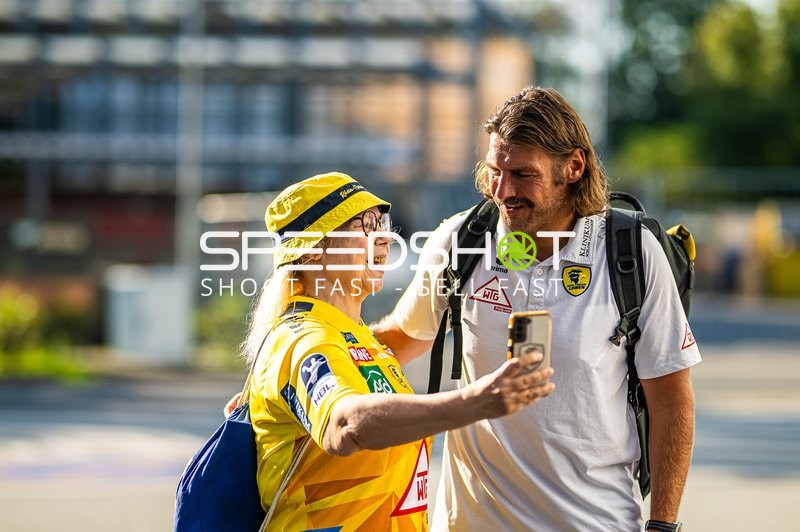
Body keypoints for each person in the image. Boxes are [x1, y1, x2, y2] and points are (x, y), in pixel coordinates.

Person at [372, 87, 701, 531]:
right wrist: (288, 369)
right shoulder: (460, 241)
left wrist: (663, 525)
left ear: (574, 166)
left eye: (523, 174)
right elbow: (397, 340)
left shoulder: (631, 254)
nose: (502, 191)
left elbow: (671, 402)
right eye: (495, 171)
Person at [241, 171, 555, 531]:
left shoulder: (357, 337)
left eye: (383, 223)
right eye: (366, 225)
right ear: (314, 251)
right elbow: (344, 425)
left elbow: (405, 335)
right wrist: (474, 402)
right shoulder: (304, 338)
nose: (384, 239)